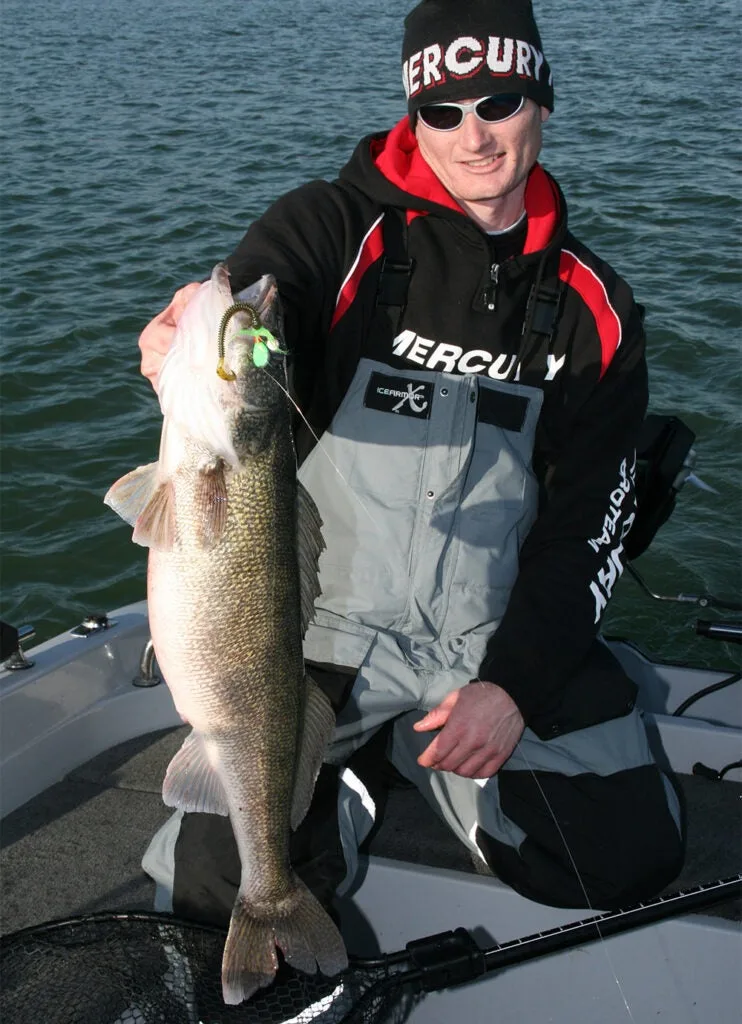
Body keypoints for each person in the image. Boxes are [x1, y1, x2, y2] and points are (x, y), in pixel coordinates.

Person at [139, 0, 684, 923]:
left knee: (622, 860)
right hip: (321, 628)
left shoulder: (598, 312)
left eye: (499, 101)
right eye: (444, 111)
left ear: (541, 102)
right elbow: (269, 301)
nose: (474, 136)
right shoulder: (331, 226)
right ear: (413, 115)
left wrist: (512, 685)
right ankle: (343, 772)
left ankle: (406, 761)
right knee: (215, 882)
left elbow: (590, 527)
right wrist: (188, 335)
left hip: (485, 628)